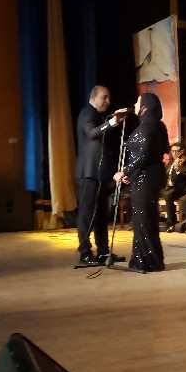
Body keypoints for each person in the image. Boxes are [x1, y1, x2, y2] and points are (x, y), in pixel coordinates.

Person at [113, 93, 170, 272]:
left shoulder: (147, 127)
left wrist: (125, 171)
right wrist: (131, 173)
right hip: (148, 176)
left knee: (143, 219)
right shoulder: (157, 126)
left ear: (145, 106)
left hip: (146, 179)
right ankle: (144, 259)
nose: (135, 105)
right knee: (144, 219)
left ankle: (149, 261)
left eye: (138, 102)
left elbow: (144, 155)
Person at [74, 85, 128, 265]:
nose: (108, 101)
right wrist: (112, 122)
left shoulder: (99, 116)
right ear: (93, 97)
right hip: (88, 173)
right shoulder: (87, 113)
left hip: (99, 174)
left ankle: (103, 251)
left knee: (100, 215)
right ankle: (84, 252)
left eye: (109, 98)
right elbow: (92, 134)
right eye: (104, 97)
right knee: (87, 214)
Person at [161, 142, 186, 232]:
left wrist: (178, 170)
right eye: (172, 151)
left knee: (168, 195)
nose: (174, 153)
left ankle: (171, 223)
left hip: (181, 188)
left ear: (181, 151)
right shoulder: (170, 162)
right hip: (169, 188)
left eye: (176, 151)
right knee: (153, 192)